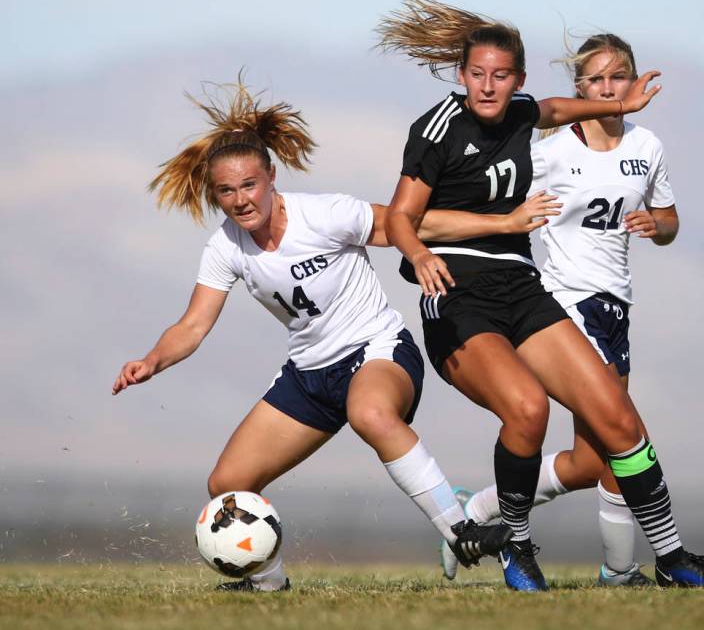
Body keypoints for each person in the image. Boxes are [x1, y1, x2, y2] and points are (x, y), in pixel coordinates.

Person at [378, 0, 704, 590]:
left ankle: (673, 559)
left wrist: (622, 102)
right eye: (476, 75)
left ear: (516, 78)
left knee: (621, 423)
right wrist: (428, 252)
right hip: (458, 295)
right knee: (528, 408)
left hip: (522, 289)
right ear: (461, 75)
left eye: (500, 75)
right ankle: (515, 546)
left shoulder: (526, 112)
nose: (488, 87)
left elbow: (552, 107)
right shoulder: (438, 128)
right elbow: (401, 220)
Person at [111, 79, 512, 592]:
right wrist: (151, 361)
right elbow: (192, 325)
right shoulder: (225, 246)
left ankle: (460, 529)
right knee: (226, 487)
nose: (239, 200)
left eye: (249, 185)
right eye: (226, 191)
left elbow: (408, 224)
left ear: (272, 177)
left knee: (370, 413)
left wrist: (498, 226)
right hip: (310, 375)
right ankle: (267, 585)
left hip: (377, 352)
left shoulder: (324, 214)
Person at [432, 33, 682, 587]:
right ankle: (623, 571)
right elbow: (487, 198)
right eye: (595, 79)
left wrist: (655, 226)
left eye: (617, 77)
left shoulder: (648, 147)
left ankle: (476, 512)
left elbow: (668, 220)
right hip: (566, 302)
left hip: (617, 305)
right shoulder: (546, 153)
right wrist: (497, 226)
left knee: (592, 461)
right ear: (580, 88)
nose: (607, 88)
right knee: (626, 428)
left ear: (634, 80)